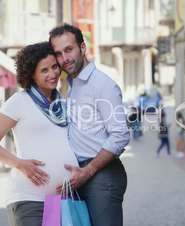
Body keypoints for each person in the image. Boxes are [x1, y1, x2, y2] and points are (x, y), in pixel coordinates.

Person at [0, 42, 78, 226]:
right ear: (31, 74)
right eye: (44, 70)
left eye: (54, 67)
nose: (52, 74)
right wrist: (19, 164)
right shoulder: (19, 102)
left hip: (57, 199)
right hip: (28, 197)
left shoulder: (62, 104)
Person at [49, 24, 130, 226]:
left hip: (101, 176)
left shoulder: (103, 85)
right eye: (58, 53)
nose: (64, 58)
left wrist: (89, 171)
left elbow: (120, 135)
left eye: (69, 49)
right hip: (76, 176)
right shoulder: (69, 84)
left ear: (83, 48)